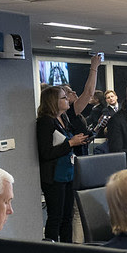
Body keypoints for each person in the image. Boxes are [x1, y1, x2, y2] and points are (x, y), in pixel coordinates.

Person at [36, 85, 88, 242]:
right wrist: (70, 143)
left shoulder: (64, 118)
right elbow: (45, 152)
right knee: (55, 217)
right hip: (54, 177)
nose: (68, 100)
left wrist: (79, 140)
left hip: (68, 174)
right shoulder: (45, 122)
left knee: (68, 217)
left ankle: (67, 250)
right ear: (53, 101)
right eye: (64, 98)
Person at [61, 54, 102, 156]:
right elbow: (88, 92)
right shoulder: (69, 111)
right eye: (70, 92)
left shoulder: (73, 114)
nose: (74, 92)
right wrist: (94, 67)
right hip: (74, 155)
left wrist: (96, 128)